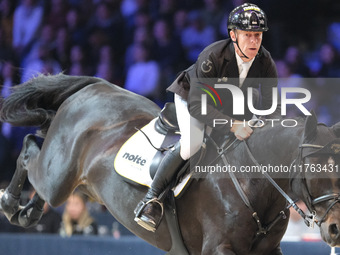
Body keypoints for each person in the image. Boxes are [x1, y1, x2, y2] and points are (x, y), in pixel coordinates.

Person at [134, 3, 280, 232]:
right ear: (233, 35)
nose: (254, 41)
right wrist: (233, 125)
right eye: (247, 35)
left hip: (230, 105)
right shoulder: (212, 56)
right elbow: (198, 107)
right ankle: (152, 199)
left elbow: (271, 105)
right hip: (193, 100)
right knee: (193, 142)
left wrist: (261, 127)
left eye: (258, 35)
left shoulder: (265, 61)